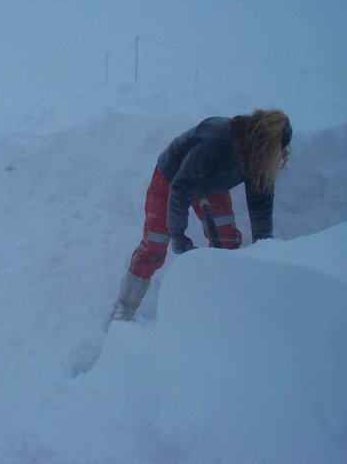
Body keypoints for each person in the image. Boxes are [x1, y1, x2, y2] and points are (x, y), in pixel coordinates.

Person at [113, 109, 293, 321]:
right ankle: (124, 309)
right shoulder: (215, 140)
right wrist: (178, 234)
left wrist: (265, 252)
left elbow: (260, 206)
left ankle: (218, 309)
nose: (277, 157)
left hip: (212, 186)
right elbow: (181, 187)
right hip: (171, 180)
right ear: (263, 144)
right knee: (154, 246)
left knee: (227, 245)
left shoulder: (257, 160)